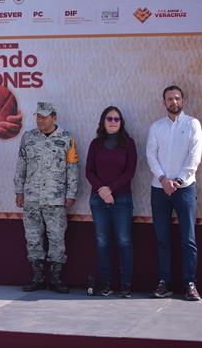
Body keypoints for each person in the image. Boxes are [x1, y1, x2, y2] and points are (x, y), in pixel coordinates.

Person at [14, 102, 79, 293]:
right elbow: (21, 165)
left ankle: (56, 279)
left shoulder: (66, 138)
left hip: (56, 199)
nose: (40, 120)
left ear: (54, 117)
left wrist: (71, 194)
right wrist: (19, 191)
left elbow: (73, 168)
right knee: (33, 238)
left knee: (57, 238)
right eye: (38, 116)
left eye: (44, 116)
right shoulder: (29, 138)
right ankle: (37, 277)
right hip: (31, 197)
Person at [146, 85, 202, 301]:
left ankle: (190, 283)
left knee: (188, 238)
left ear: (183, 101)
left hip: (185, 188)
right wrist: (163, 179)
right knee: (162, 239)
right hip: (159, 189)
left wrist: (177, 181)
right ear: (164, 103)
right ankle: (164, 282)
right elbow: (151, 155)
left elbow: (194, 156)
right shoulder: (156, 127)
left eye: (177, 98)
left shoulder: (192, 124)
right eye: (170, 99)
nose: (174, 102)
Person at [85, 106, 137, 298]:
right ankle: (106, 285)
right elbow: (89, 171)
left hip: (122, 199)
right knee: (102, 242)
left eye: (117, 119)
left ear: (121, 122)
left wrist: (111, 190)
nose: (113, 122)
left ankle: (125, 285)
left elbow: (130, 172)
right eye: (110, 118)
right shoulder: (95, 144)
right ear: (103, 121)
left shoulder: (128, 144)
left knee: (124, 241)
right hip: (98, 200)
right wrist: (103, 191)